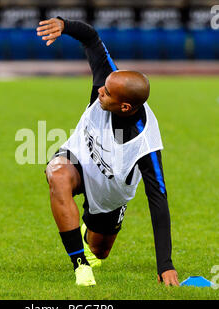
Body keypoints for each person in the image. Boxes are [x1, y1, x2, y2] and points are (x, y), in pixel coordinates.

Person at [37, 17, 179, 287]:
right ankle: (80, 266)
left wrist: (166, 264)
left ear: (125, 107)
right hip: (78, 156)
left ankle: (88, 234)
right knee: (56, 174)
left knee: (100, 251)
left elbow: (158, 200)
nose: (99, 90)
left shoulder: (144, 144)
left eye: (106, 94)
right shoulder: (109, 78)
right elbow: (91, 37)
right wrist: (63, 25)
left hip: (110, 190)